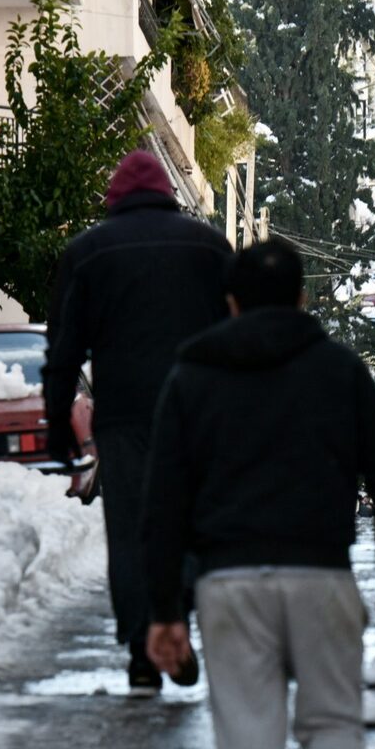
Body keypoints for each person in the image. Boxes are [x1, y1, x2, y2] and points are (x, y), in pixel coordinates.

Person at [141, 238, 375, 749]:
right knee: (331, 723)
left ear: (230, 304)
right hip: (321, 574)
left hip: (228, 585)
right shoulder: (340, 370)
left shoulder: (192, 375)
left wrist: (165, 610)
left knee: (249, 742)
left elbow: (163, 502)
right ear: (302, 300)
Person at [43, 148, 230, 697]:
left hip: (124, 419)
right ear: (169, 194)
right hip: (196, 414)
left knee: (130, 530)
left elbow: (62, 351)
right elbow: (238, 331)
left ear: (114, 198)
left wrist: (57, 422)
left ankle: (143, 654)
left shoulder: (88, 252)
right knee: (190, 522)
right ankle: (178, 627)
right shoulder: (209, 247)